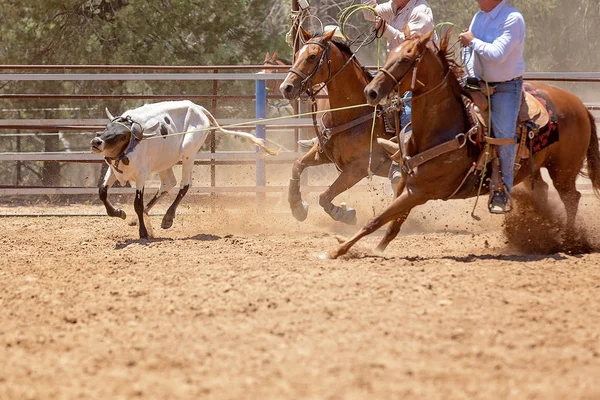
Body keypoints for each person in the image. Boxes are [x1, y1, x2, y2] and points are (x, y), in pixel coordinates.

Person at [459, 0, 526, 214]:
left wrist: (472, 40)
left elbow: (498, 53)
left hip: (506, 87)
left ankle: (501, 191)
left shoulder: (512, 18)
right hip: (478, 83)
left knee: (503, 137)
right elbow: (468, 52)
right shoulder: (479, 16)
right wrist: (472, 77)